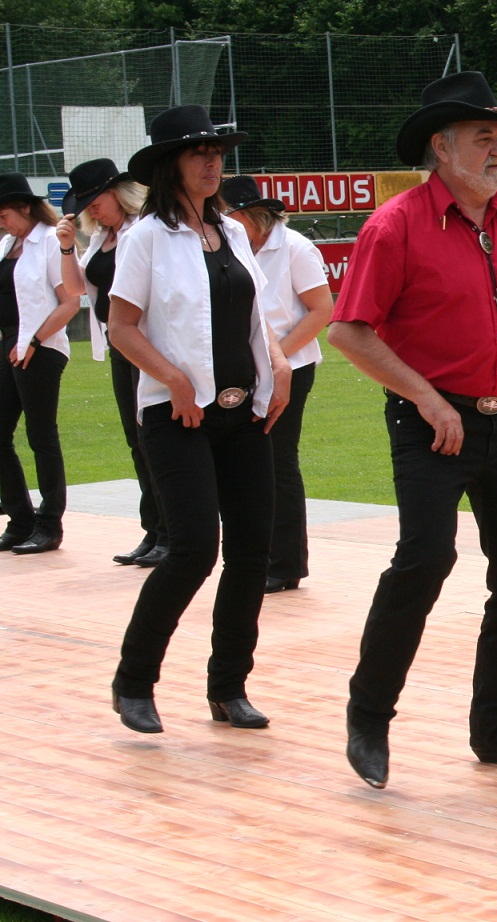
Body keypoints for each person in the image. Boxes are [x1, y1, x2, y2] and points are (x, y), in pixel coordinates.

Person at [329, 72, 497, 789]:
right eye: (483, 137)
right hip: (429, 425)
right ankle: (369, 716)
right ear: (441, 148)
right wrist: (428, 398)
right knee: (425, 560)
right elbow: (349, 330)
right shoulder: (394, 225)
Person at [107, 105, 292, 734]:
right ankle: (134, 682)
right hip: (177, 415)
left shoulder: (233, 231)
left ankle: (228, 689)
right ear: (170, 165)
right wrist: (175, 380)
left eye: (217, 153)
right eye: (198, 153)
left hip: (246, 413)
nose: (213, 163)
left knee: (251, 551)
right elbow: (121, 327)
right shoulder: (146, 238)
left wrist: (278, 363)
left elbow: (254, 313)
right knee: (191, 550)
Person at [222, 175, 332, 594]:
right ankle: (257, 556)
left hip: (291, 365)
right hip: (244, 369)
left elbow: (321, 310)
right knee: (248, 462)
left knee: (278, 460)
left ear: (251, 215)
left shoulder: (295, 247)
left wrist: (276, 357)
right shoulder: (229, 246)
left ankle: (285, 563)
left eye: (226, 214)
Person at [56, 158, 167, 567]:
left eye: (95, 203)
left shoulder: (146, 229)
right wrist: (67, 248)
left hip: (146, 342)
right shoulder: (103, 236)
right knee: (136, 440)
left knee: (155, 438)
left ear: (117, 193)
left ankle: (171, 532)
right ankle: (153, 530)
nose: (93, 212)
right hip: (119, 346)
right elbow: (75, 288)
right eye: (86, 207)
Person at [0, 173, 80, 554]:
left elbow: (70, 302)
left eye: (4, 214)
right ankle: (20, 520)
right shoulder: (6, 244)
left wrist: (33, 340)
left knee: (41, 434)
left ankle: (49, 525)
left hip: (41, 346)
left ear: (25, 207)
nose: (1, 222)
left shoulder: (49, 241)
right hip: (9, 344)